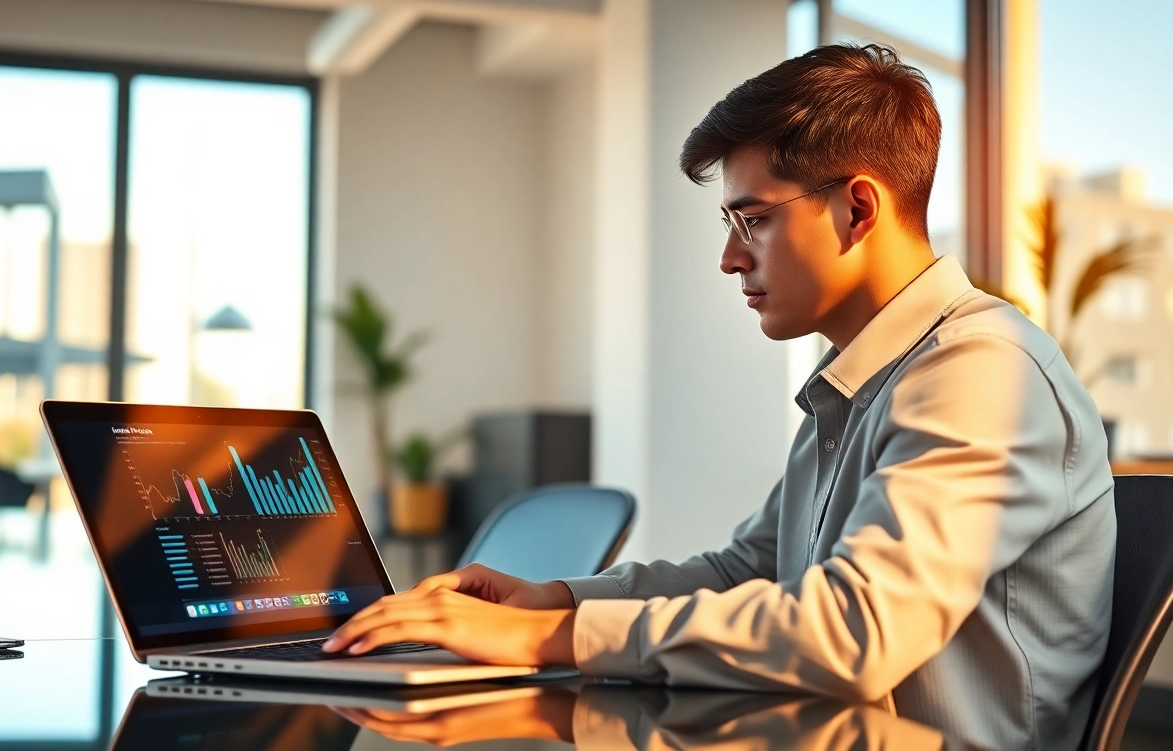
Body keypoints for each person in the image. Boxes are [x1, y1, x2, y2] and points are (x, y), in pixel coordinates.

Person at [323, 43, 1116, 751]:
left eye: (753, 219)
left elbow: (852, 632)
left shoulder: (979, 370)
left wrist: (550, 639)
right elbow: (748, 569)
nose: (729, 258)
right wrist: (547, 601)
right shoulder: (867, 377)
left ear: (858, 209)